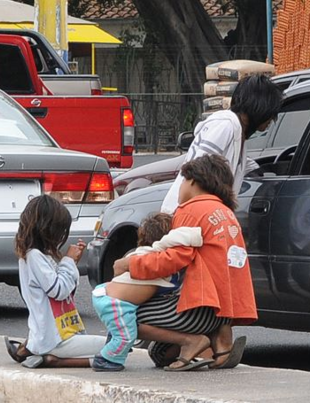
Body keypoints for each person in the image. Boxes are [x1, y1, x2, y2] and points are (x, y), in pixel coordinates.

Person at [113, 154, 258, 371]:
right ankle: (219, 341)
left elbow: (172, 259)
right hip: (223, 312)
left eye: (181, 181)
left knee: (122, 316)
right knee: (159, 354)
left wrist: (130, 265)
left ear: (192, 181)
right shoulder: (226, 213)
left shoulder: (190, 211)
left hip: (198, 309)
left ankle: (194, 341)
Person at [91, 213, 203, 372]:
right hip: (115, 303)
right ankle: (105, 359)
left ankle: (113, 341)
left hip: (110, 296)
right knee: (125, 337)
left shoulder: (138, 253)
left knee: (120, 330)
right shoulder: (154, 259)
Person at [4, 195, 105, 368]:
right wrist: (68, 261)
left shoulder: (40, 256)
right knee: (116, 346)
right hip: (57, 339)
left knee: (115, 347)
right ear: (48, 230)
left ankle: (32, 349)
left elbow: (65, 290)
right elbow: (58, 291)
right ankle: (55, 359)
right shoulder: (34, 256)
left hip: (58, 335)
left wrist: (70, 263)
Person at [161, 74, 284, 214]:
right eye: (272, 111)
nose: (273, 119)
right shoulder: (225, 126)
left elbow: (229, 162)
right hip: (189, 214)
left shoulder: (236, 131)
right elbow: (199, 170)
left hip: (198, 214)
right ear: (260, 106)